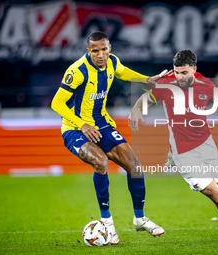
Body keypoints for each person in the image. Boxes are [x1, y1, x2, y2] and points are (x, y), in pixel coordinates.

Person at [129, 50, 218, 241]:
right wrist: (137, 109)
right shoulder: (166, 83)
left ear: (194, 69)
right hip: (184, 153)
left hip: (207, 145)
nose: (179, 77)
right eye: (176, 72)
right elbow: (146, 98)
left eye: (184, 73)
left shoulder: (206, 85)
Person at [51, 31, 165, 245]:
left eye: (104, 49)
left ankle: (139, 219)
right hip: (74, 128)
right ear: (88, 51)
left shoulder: (112, 62)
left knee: (135, 166)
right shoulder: (76, 71)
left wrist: (147, 79)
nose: (100, 55)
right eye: (95, 51)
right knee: (101, 162)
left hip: (101, 124)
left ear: (109, 48)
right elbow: (56, 103)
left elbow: (123, 72)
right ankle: (107, 224)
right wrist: (81, 124)